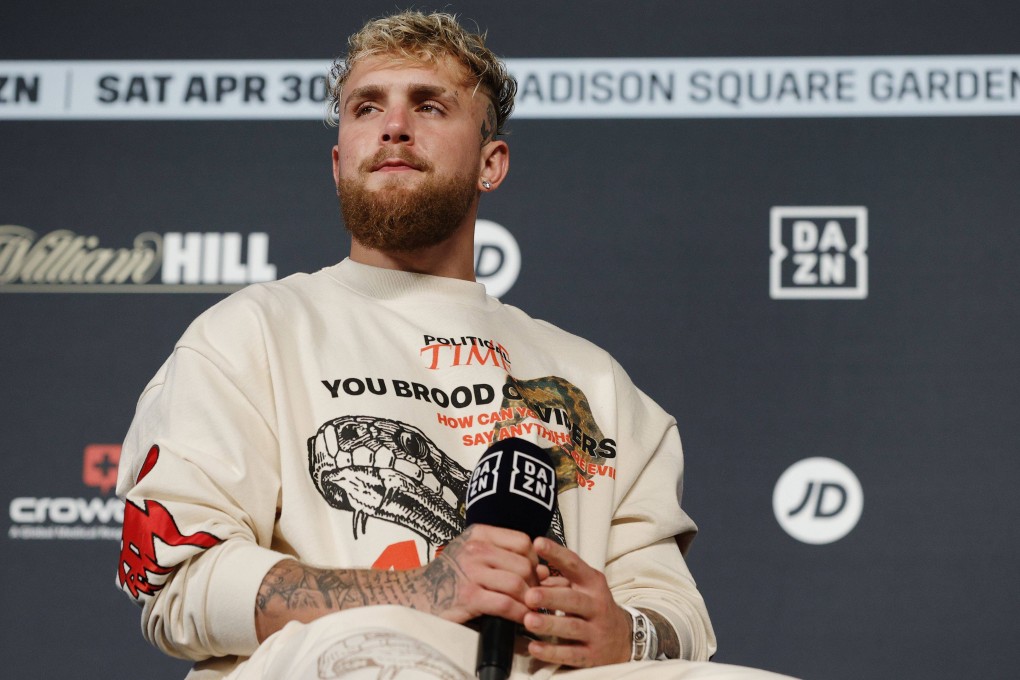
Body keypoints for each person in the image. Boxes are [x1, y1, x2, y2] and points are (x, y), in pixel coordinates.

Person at [116, 11, 795, 680]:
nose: (393, 125)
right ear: (337, 161)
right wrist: (419, 593)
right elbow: (175, 576)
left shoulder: (595, 382)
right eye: (366, 107)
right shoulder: (250, 334)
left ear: (490, 163)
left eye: (430, 105)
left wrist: (628, 633)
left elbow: (676, 614)